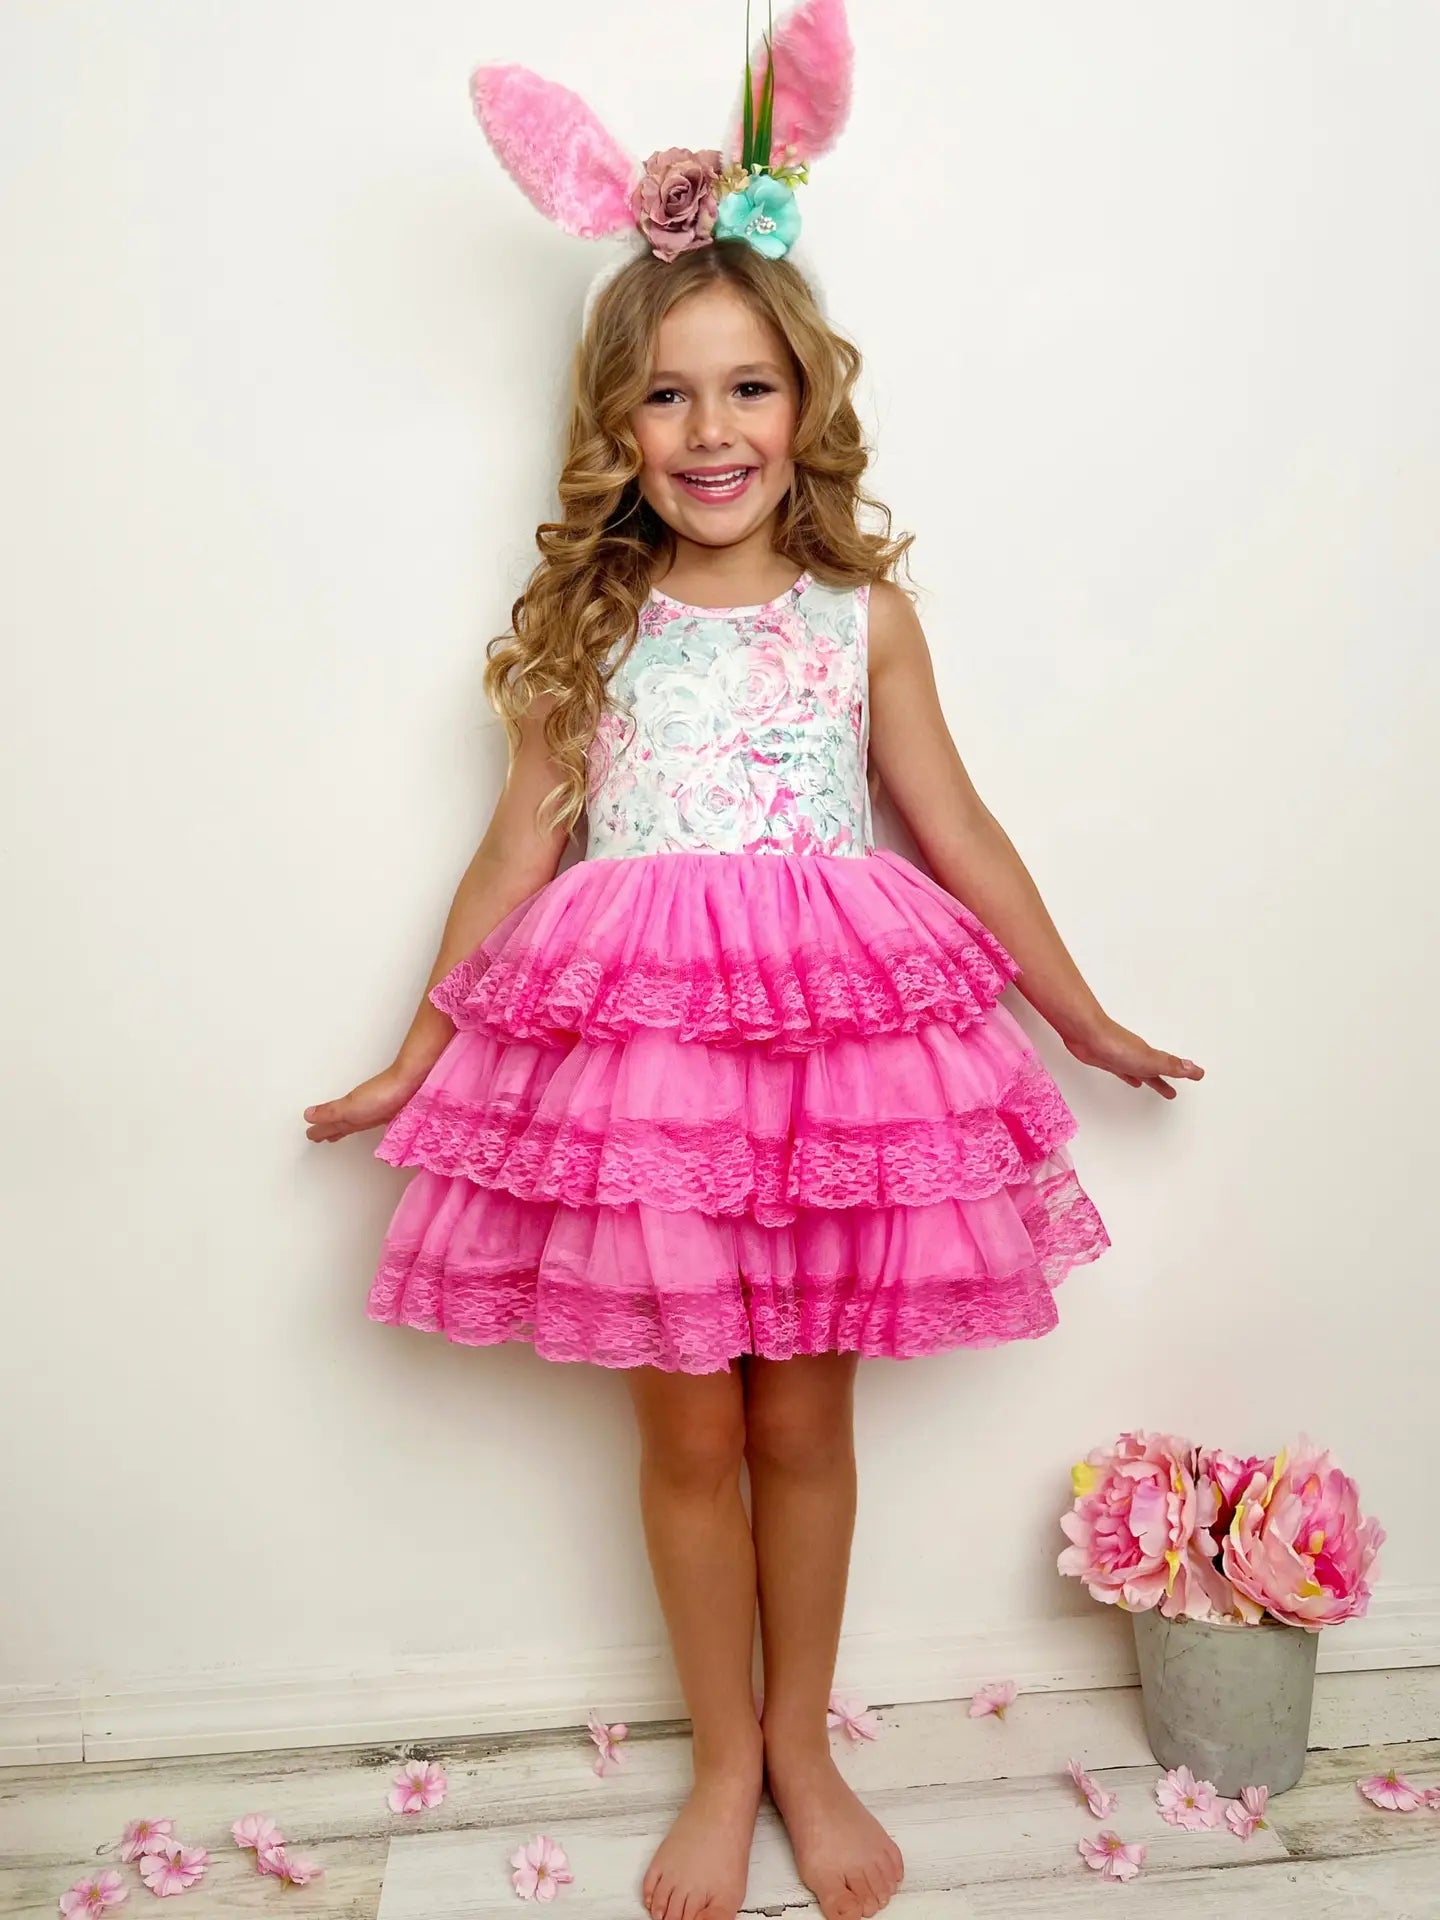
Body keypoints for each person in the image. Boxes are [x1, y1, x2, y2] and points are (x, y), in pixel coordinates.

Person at [304, 6, 1203, 1917]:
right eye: (668, 397)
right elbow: (513, 855)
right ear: (614, 427)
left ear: (805, 403)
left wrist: (1084, 1015)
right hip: (646, 1076)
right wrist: (410, 1057)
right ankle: (724, 1760)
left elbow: (957, 832)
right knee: (687, 1426)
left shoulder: (860, 619)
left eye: (748, 389)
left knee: (802, 1417)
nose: (712, 432)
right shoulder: (595, 626)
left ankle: (806, 1746)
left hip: (827, 1068)